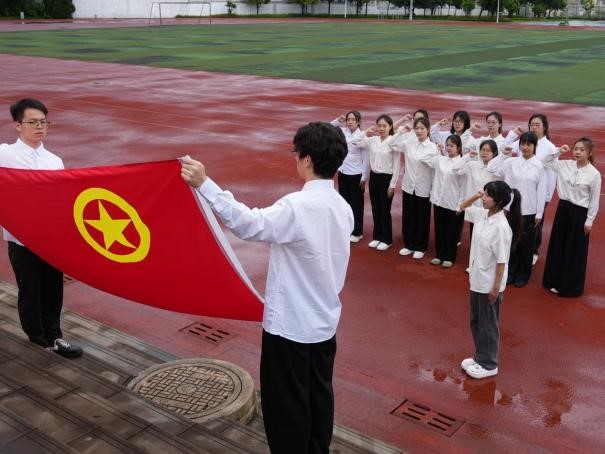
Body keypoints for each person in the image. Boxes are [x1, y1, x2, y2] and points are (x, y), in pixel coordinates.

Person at [181, 122, 353, 454]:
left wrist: (205, 184)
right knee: (319, 398)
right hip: (323, 323)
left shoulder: (297, 206)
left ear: (306, 159)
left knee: (286, 409)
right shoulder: (342, 207)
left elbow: (247, 224)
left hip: (290, 327)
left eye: (296, 153)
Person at [0, 98, 82, 358]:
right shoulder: (5, 154)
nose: (39, 127)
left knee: (53, 289)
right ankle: (38, 340)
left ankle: (55, 337)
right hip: (22, 240)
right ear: (18, 125)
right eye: (33, 122)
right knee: (30, 290)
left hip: (51, 239)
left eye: (43, 122)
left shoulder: (54, 161)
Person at [459, 181, 522, 379]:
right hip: (477, 279)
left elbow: (502, 261)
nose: (484, 198)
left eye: (488, 195)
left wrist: (496, 288)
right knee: (476, 321)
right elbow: (462, 206)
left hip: (489, 284)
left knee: (488, 325)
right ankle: (480, 357)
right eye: (485, 194)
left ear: (499, 201)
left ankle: (489, 364)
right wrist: (477, 195)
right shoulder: (483, 215)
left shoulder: (501, 227)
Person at [542, 138, 601, 297]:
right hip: (563, 209)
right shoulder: (565, 165)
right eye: (575, 149)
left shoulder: (594, 174)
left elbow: (594, 199)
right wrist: (558, 151)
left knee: (573, 250)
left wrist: (589, 220)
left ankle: (568, 286)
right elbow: (545, 162)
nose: (577, 152)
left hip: (580, 213)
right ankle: (553, 280)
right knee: (558, 245)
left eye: (582, 149)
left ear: (589, 152)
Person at [488, 132, 546, 288]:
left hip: (529, 211)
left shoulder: (539, 166)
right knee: (511, 242)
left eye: (529, 144)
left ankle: (523, 274)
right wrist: (502, 155)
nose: (525, 147)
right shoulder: (511, 162)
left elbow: (541, 191)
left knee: (526, 244)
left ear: (535, 146)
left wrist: (539, 213)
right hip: (511, 209)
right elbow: (491, 168)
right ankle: (511, 272)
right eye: (522, 144)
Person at [504, 113, 557, 265]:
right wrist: (512, 135)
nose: (534, 127)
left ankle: (533, 250)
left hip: (537, 193)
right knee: (515, 226)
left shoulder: (550, 147)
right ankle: (514, 257)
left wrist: (547, 196)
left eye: (537, 125)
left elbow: (551, 174)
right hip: (519, 191)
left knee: (534, 226)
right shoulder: (524, 141)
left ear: (545, 127)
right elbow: (505, 148)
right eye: (531, 125)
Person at [352, 114, 401, 251]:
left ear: (390, 127)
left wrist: (392, 185)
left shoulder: (393, 142)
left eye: (384, 126)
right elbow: (355, 141)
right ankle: (377, 237)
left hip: (387, 178)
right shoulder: (372, 140)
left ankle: (387, 239)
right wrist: (366, 131)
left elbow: (397, 166)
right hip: (374, 178)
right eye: (379, 126)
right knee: (375, 208)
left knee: (385, 209)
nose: (381, 128)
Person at [395, 117, 439, 259]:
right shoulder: (409, 143)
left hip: (424, 188)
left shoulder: (433, 148)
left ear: (428, 129)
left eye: (422, 128)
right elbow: (392, 144)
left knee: (422, 218)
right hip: (408, 186)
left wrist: (433, 189)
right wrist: (401, 131)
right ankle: (409, 244)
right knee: (408, 216)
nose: (419, 131)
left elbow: (435, 170)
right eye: (417, 128)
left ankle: (420, 246)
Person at [426, 135, 464, 268]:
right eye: (447, 145)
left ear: (459, 148)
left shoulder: (462, 163)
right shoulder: (440, 159)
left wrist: (460, 204)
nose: (449, 148)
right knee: (440, 229)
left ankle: (450, 256)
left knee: (452, 231)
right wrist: (436, 150)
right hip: (439, 200)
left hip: (453, 202)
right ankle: (439, 254)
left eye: (452, 146)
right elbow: (426, 160)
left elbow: (463, 186)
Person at [331, 111, 368, 243]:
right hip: (343, 172)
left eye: (353, 119)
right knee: (344, 203)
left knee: (356, 204)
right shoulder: (343, 132)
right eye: (348, 119)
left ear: (358, 122)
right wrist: (338, 120)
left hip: (356, 174)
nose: (350, 121)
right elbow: (327, 128)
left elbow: (366, 158)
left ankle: (357, 232)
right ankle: (346, 228)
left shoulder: (362, 135)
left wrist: (364, 176)